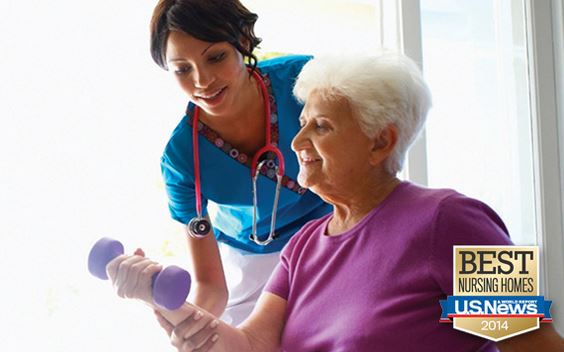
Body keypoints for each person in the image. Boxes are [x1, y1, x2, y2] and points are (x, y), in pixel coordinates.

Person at [108, 54, 564, 351]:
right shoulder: (303, 246)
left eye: (321, 126)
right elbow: (248, 346)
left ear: (380, 142)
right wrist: (161, 299)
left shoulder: (455, 220)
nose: (298, 140)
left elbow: (536, 344)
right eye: (301, 123)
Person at [149, 0, 331, 325]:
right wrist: (190, 327)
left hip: (335, 229)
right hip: (253, 261)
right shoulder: (180, 160)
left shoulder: (306, 81)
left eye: (215, 57)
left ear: (243, 42)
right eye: (182, 69)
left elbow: (368, 164)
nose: (202, 80)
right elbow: (211, 286)